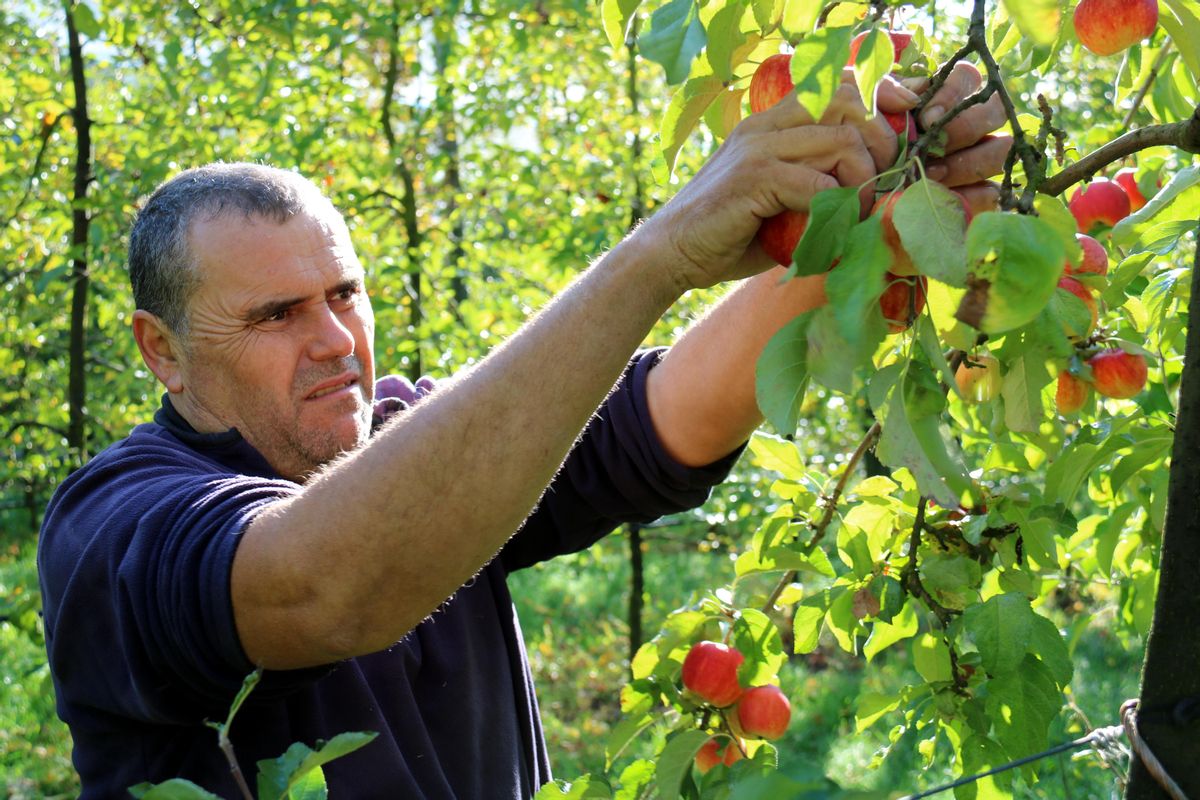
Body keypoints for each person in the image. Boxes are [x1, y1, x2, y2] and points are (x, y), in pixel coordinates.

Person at [37, 63, 1008, 798]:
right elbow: (324, 586)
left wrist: (871, 210)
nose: (335, 340)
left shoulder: (419, 438)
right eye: (275, 314)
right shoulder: (114, 524)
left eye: (346, 294)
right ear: (161, 351)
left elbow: (668, 414)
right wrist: (659, 252)